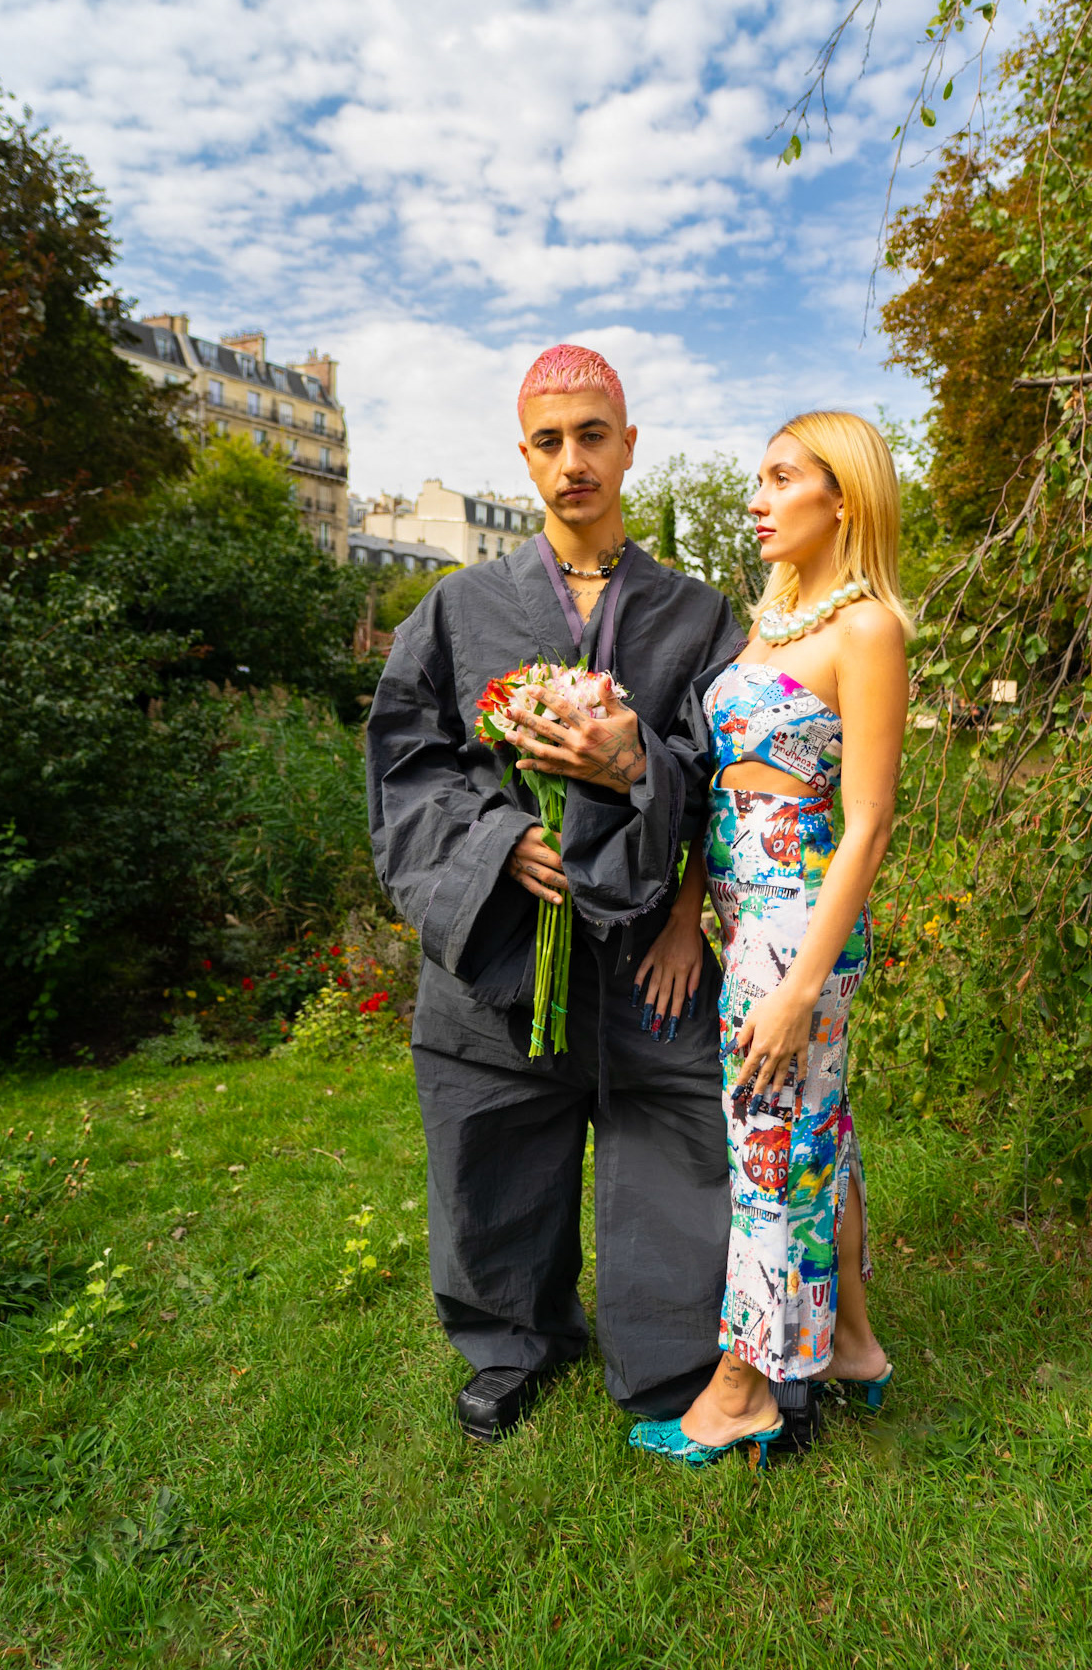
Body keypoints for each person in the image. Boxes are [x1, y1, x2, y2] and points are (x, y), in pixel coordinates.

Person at [366, 345, 743, 1440]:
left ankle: (675, 1350)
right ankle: (509, 1340)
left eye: (591, 435)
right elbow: (406, 764)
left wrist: (681, 900)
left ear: (628, 446)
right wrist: (497, 842)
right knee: (490, 1133)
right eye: (548, 440)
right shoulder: (457, 608)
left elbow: (730, 779)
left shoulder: (698, 615)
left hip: (646, 947)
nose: (572, 460)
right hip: (502, 943)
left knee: (674, 1132)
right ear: (524, 457)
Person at [628, 410, 912, 1468]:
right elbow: (717, 782)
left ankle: (743, 1389)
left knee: (769, 1144)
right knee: (814, 1131)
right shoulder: (777, 617)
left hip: (797, 924)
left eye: (781, 477)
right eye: (759, 478)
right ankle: (852, 1345)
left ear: (843, 496)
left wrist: (795, 989)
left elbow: (869, 822)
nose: (757, 498)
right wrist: (689, 907)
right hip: (746, 913)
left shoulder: (867, 628)